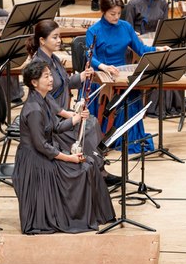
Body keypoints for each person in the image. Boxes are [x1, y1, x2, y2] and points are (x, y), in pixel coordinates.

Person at [12, 60, 115, 234]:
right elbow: (42, 146)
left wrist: (76, 118)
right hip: (35, 163)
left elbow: (55, 127)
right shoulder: (34, 109)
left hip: (44, 154)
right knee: (83, 168)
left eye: (50, 75)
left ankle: (96, 215)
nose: (51, 79)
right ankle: (79, 216)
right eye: (46, 76)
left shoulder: (43, 100)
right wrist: (69, 158)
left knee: (89, 163)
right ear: (34, 82)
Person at [25, 20, 120, 186]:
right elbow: (44, 97)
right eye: (54, 37)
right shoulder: (38, 63)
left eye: (59, 36)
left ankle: (97, 167)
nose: (59, 40)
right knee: (88, 126)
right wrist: (66, 113)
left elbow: (65, 82)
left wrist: (82, 76)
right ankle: (92, 170)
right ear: (42, 40)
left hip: (61, 112)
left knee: (91, 122)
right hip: (50, 117)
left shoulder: (53, 58)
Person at [87, 0, 167, 154]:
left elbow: (141, 49)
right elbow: (89, 57)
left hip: (121, 74)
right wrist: (103, 66)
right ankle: (108, 135)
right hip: (102, 76)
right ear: (103, 11)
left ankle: (128, 135)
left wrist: (158, 49)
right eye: (112, 14)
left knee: (132, 95)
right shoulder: (93, 30)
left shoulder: (125, 27)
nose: (116, 17)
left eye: (118, 13)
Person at [124, 0, 186, 117]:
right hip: (139, 46)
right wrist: (135, 34)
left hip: (158, 42)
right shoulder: (132, 4)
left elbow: (165, 27)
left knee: (172, 57)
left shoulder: (162, 2)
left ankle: (169, 102)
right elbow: (127, 30)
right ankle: (152, 104)